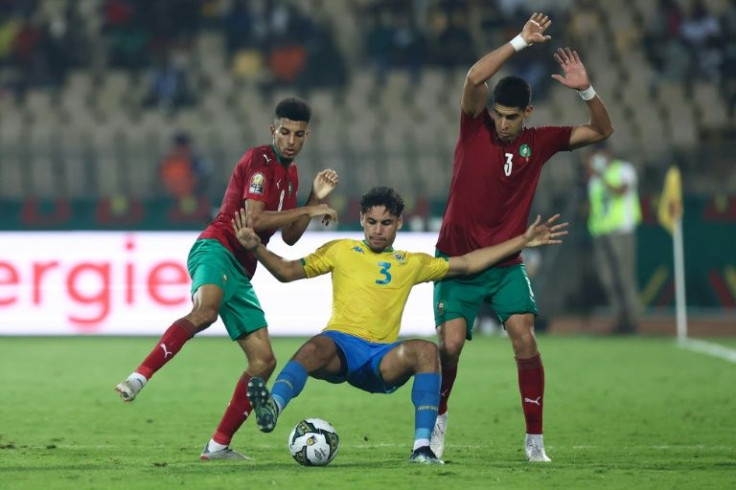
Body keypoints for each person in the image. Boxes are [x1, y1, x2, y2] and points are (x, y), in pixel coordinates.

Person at [231, 186, 567, 465]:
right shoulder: (339, 250)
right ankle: (272, 407)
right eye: (372, 222)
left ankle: (422, 448)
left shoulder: (411, 262)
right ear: (362, 220)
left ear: (399, 223)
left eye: (386, 223)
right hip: (341, 349)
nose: (378, 229)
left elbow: (466, 264)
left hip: (381, 359)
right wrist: (256, 247)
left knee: (426, 351)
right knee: (315, 345)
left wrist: (520, 242)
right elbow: (287, 272)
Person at [431, 12, 614, 463]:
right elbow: (475, 76)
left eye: (513, 117)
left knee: (525, 339)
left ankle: (535, 441)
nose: (504, 123)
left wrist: (586, 91)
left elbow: (602, 131)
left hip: (505, 264)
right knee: (450, 345)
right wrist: (519, 41)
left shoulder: (541, 141)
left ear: (527, 113)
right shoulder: (474, 126)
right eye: (500, 114)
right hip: (456, 260)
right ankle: (436, 423)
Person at [114, 97, 340, 460]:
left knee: (264, 361)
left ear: (306, 136)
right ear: (273, 130)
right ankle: (140, 376)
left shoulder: (292, 174)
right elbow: (253, 221)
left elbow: (291, 236)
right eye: (285, 132)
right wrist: (311, 208)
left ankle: (218, 446)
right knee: (205, 312)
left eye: (299, 134)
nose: (291, 140)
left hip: (243, 267)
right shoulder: (259, 162)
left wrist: (313, 197)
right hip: (217, 248)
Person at [585, 145, 642, 334]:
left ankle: (633, 320)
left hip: (621, 230)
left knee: (624, 276)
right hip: (600, 232)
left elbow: (621, 191)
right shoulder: (593, 178)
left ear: (608, 154)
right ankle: (618, 318)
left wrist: (601, 176)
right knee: (607, 278)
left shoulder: (624, 169)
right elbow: (594, 204)